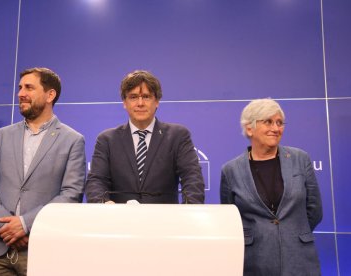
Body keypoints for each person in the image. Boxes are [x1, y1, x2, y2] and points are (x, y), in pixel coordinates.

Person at [0, 67, 86, 275]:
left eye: (29, 87)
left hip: (41, 249)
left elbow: (71, 195)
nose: (20, 93)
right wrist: (6, 229)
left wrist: (25, 224)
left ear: (50, 95)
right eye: (20, 87)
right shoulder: (1, 136)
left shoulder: (72, 140)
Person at [220, 98, 323, 275]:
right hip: (255, 262)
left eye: (279, 122)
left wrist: (293, 233)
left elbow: (314, 210)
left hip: (300, 260)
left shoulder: (300, 159)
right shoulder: (231, 170)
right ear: (249, 128)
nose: (276, 128)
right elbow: (233, 220)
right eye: (268, 122)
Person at [86, 70, 204, 204]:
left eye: (146, 97)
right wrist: (104, 204)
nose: (140, 103)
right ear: (124, 102)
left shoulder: (178, 136)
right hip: (119, 221)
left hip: (166, 222)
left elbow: (192, 178)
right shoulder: (106, 140)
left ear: (157, 101)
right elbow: (96, 181)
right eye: (133, 97)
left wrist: (190, 210)